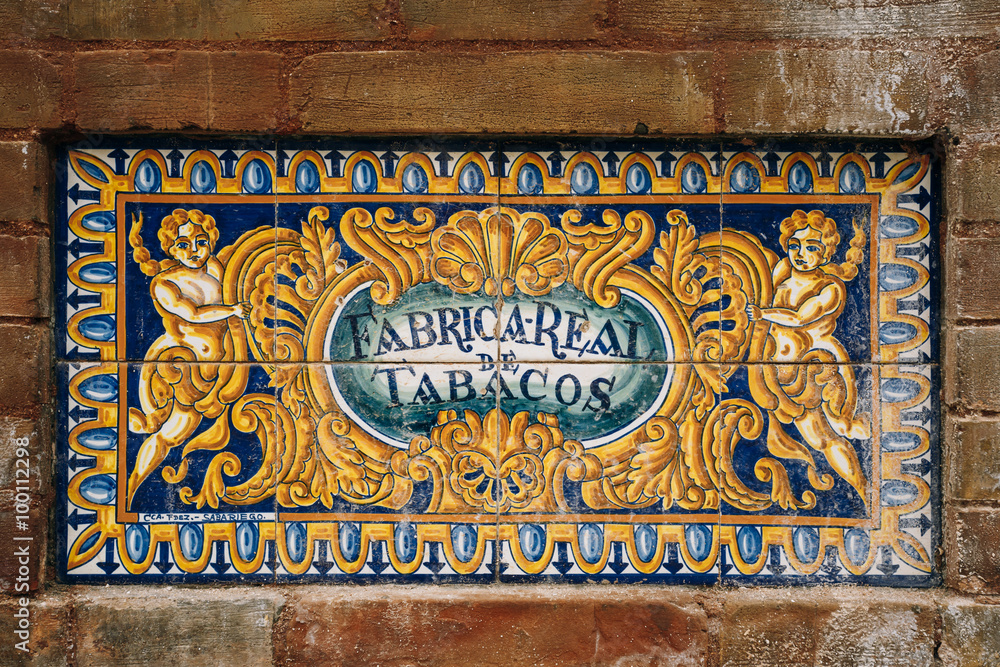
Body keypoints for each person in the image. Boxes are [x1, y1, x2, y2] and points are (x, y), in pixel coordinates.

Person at [124, 209, 251, 509]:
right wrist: (233, 310)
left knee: (175, 436)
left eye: (201, 242)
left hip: (214, 373)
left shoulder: (216, 268)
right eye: (183, 245)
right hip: (182, 370)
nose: (194, 251)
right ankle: (131, 489)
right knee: (168, 437)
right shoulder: (165, 284)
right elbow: (193, 314)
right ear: (170, 248)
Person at [745, 209, 870, 509]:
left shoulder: (831, 289)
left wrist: (763, 314)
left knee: (829, 438)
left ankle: (865, 491)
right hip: (780, 374)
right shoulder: (782, 270)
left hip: (814, 369)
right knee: (817, 440)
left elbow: (800, 317)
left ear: (826, 252)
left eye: (812, 247)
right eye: (794, 245)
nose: (800, 254)